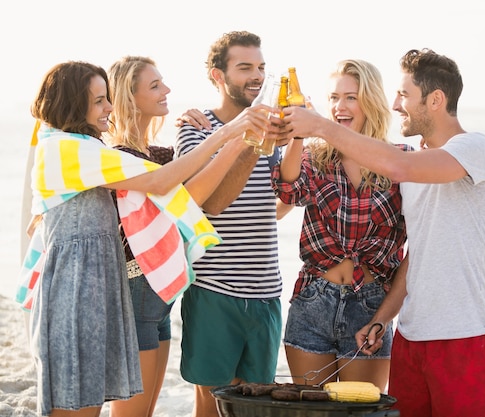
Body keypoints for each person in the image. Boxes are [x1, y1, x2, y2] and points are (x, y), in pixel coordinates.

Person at [18, 60, 274, 417]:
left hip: (103, 292)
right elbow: (162, 183)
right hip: (80, 294)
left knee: (92, 401)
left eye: (107, 99)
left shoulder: (86, 149)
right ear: (74, 106)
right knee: (77, 402)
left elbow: (168, 178)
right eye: (97, 101)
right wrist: (227, 133)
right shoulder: (73, 150)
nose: (107, 108)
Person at [283, 48, 485, 416]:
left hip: (466, 335)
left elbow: (396, 165)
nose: (395, 103)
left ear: (435, 100)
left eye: (404, 94)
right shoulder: (414, 166)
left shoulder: (474, 148)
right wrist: (381, 318)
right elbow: (416, 255)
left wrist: (321, 126)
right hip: (410, 337)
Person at [105, 55, 256, 417]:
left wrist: (196, 131)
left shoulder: (158, 154)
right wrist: (231, 135)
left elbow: (192, 176)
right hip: (134, 295)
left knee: (147, 409)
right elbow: (188, 197)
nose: (167, 89)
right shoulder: (119, 157)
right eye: (155, 85)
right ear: (129, 96)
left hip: (159, 300)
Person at [270, 59, 412, 391]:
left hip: (371, 305)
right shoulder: (316, 157)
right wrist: (298, 136)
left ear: (371, 101)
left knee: (357, 411)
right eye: (334, 98)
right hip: (313, 302)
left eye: (350, 97)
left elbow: (424, 236)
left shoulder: (399, 160)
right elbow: (289, 190)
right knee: (310, 411)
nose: (339, 107)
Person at [174, 31, 289, 417]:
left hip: (266, 291)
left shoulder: (274, 130)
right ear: (217, 76)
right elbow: (213, 202)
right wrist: (246, 133)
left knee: (255, 405)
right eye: (244, 68)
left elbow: (287, 193)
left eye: (260, 67)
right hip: (214, 289)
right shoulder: (195, 128)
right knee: (213, 403)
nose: (256, 76)